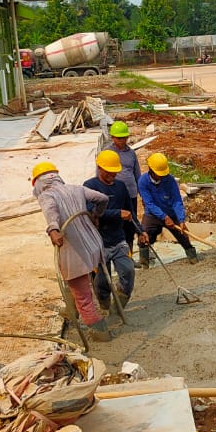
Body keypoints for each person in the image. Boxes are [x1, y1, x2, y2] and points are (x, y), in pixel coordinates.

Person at [32, 161, 112, 341]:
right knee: (80, 286)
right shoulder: (76, 188)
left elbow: (51, 213)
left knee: (83, 295)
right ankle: (71, 312)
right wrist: (96, 215)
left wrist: (53, 230)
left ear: (38, 183)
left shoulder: (46, 196)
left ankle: (100, 332)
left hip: (73, 251)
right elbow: (103, 198)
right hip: (93, 245)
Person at [84, 150, 141, 315]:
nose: (113, 174)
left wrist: (141, 231)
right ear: (100, 168)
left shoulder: (121, 186)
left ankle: (120, 303)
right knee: (102, 281)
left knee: (128, 270)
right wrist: (117, 213)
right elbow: (90, 213)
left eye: (115, 171)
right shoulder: (89, 187)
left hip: (118, 240)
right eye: (110, 171)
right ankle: (104, 303)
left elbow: (130, 213)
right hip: (98, 243)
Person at [138, 152, 199, 265]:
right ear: (151, 170)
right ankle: (144, 262)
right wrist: (163, 217)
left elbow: (177, 201)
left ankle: (193, 258)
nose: (161, 176)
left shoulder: (170, 180)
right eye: (158, 173)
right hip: (152, 214)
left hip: (170, 213)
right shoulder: (143, 181)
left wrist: (180, 219)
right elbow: (149, 203)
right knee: (144, 235)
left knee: (183, 236)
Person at [104, 121, 142, 250]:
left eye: (124, 138)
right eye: (119, 138)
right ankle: (114, 253)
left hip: (130, 194)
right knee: (114, 223)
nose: (122, 140)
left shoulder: (131, 153)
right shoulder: (107, 153)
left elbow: (137, 174)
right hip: (113, 194)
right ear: (113, 137)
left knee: (130, 224)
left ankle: (129, 255)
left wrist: (141, 192)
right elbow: (100, 172)